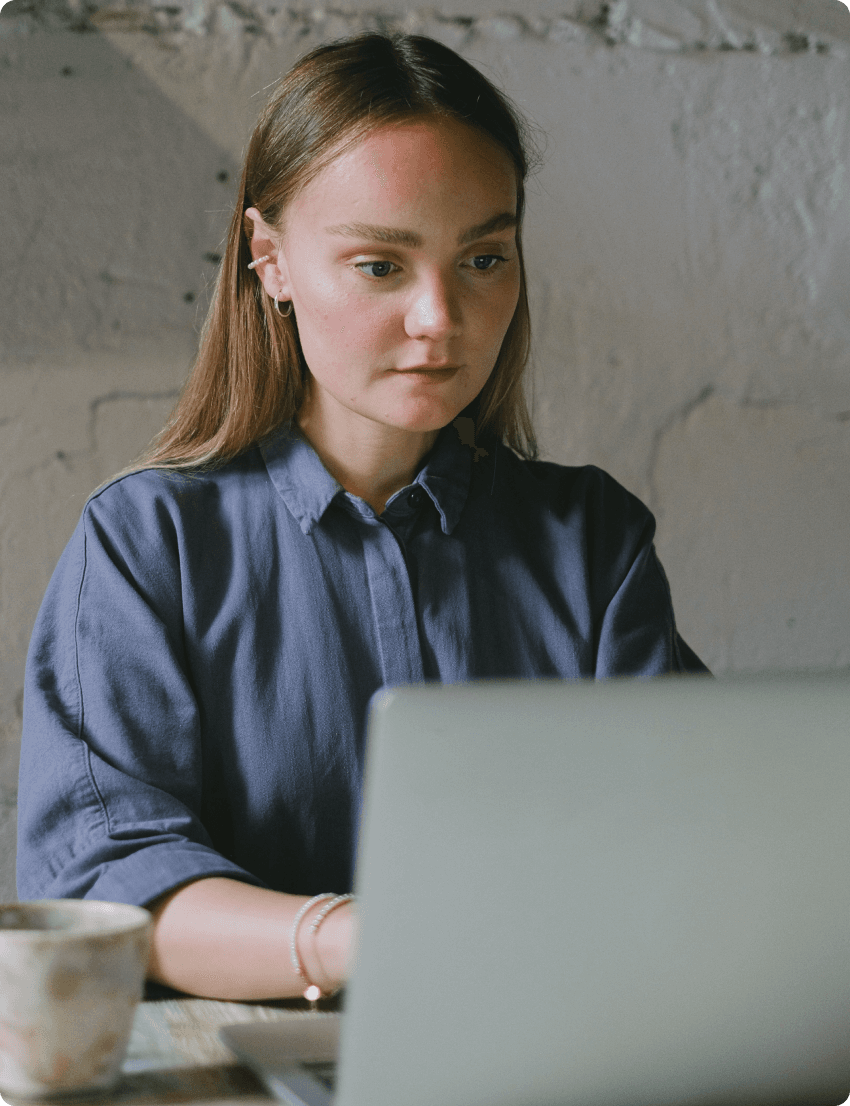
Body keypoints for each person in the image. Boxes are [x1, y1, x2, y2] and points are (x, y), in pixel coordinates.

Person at [17, 31, 709, 1003]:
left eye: (482, 257)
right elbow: (108, 880)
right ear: (271, 261)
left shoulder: (590, 541)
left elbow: (693, 839)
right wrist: (367, 935)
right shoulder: (146, 546)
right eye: (381, 265)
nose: (441, 316)